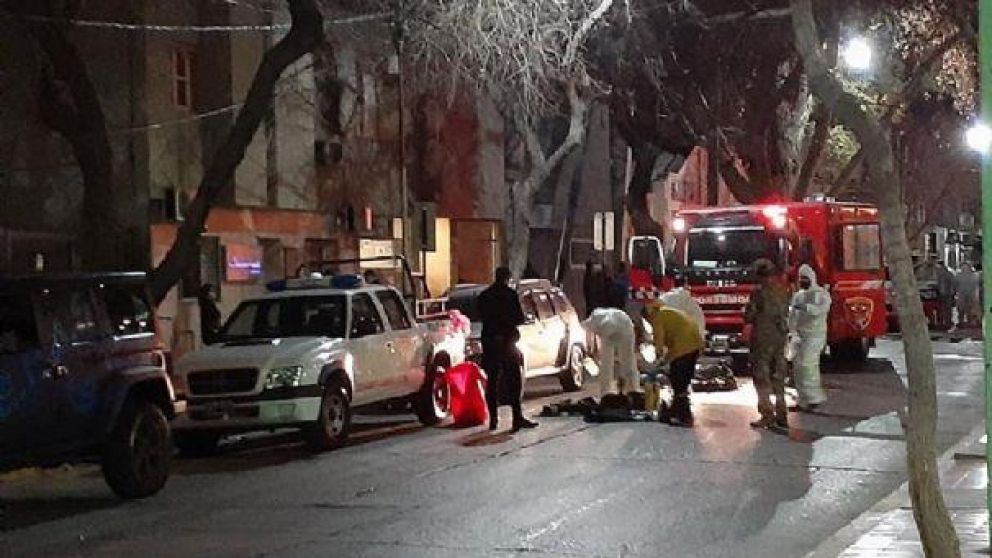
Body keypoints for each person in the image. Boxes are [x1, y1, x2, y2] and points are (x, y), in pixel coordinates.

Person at [477, 267, 538, 433]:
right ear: (507, 278)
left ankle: (493, 420)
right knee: (513, 380)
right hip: (507, 342)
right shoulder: (510, 295)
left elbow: (480, 316)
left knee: (492, 380)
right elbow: (519, 318)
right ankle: (517, 418)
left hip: (490, 343)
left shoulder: (485, 296)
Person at [744, 259, 791, 430]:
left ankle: (767, 414)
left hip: (763, 337)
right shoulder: (783, 290)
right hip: (780, 337)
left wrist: (747, 328)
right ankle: (782, 413)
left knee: (761, 375)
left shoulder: (758, 292)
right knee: (778, 375)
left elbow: (751, 313)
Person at [644, 304, 704, 426]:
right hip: (695, 345)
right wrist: (665, 361)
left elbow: (659, 343)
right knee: (683, 381)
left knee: (678, 381)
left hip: (684, 347)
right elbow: (673, 345)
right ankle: (678, 411)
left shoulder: (657, 318)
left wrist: (657, 360)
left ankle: (684, 416)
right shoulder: (669, 312)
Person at [788, 264, 830, 412]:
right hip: (800, 335)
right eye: (801, 279)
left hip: (815, 335)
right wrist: (790, 331)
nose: (802, 281)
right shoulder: (798, 295)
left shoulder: (822, 294)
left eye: (805, 278)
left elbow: (819, 311)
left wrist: (805, 307)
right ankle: (803, 399)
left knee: (808, 365)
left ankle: (814, 398)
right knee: (798, 367)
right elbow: (792, 315)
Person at [582, 308, 640, 396]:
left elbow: (600, 340)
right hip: (620, 325)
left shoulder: (604, 324)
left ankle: (632, 388)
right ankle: (606, 391)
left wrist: (596, 353)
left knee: (626, 360)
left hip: (625, 329)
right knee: (607, 363)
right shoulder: (595, 319)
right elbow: (594, 338)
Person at [659, 275, 706, 340]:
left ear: (672, 283)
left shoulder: (663, 298)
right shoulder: (691, 303)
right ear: (686, 284)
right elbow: (699, 323)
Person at [956, 263, 981, 328]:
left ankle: (964, 322)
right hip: (966, 295)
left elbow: (955, 285)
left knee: (965, 309)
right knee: (965, 309)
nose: (964, 270)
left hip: (966, 295)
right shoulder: (974, 276)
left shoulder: (959, 276)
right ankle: (965, 322)